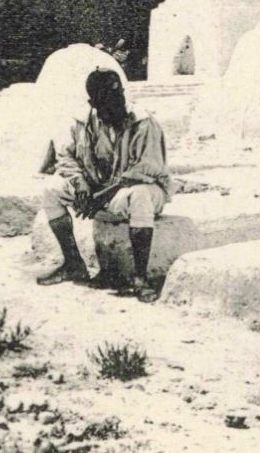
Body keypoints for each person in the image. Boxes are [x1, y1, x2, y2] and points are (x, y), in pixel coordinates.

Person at [35, 68, 171, 302]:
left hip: (139, 192)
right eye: (106, 102)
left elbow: (146, 169)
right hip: (99, 192)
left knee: (139, 195)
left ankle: (140, 279)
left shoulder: (144, 122)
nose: (114, 107)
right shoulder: (81, 123)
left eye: (117, 100)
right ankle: (74, 264)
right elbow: (66, 157)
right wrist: (81, 185)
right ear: (93, 102)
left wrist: (104, 194)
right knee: (51, 190)